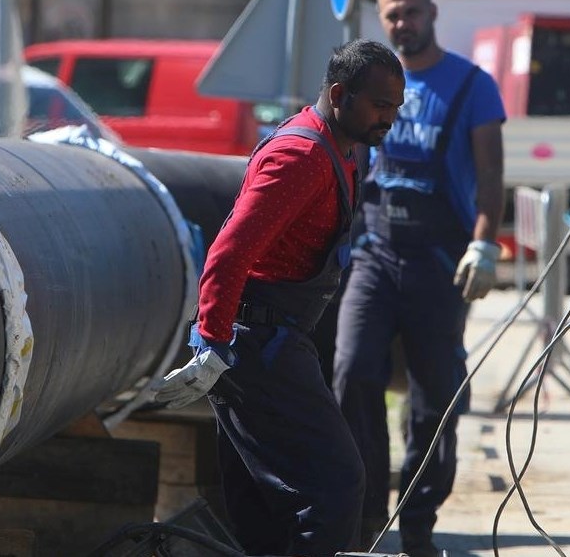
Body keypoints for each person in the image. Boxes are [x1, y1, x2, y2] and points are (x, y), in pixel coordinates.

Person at [152, 39, 405, 557]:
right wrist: (212, 344)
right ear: (339, 94)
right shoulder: (302, 156)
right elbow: (229, 251)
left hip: (276, 338)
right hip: (256, 345)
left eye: (397, 107)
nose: (389, 118)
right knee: (336, 485)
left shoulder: (344, 148)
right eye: (380, 105)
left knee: (263, 506)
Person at [332, 0, 506, 557]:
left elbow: (491, 178)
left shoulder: (471, 85)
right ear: (380, 20)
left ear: (431, 13)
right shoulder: (364, 87)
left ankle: (417, 527)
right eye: (392, 15)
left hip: (439, 261)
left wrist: (485, 243)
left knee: (436, 398)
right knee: (353, 373)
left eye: (411, 12)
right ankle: (364, 519)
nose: (402, 23)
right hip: (374, 253)